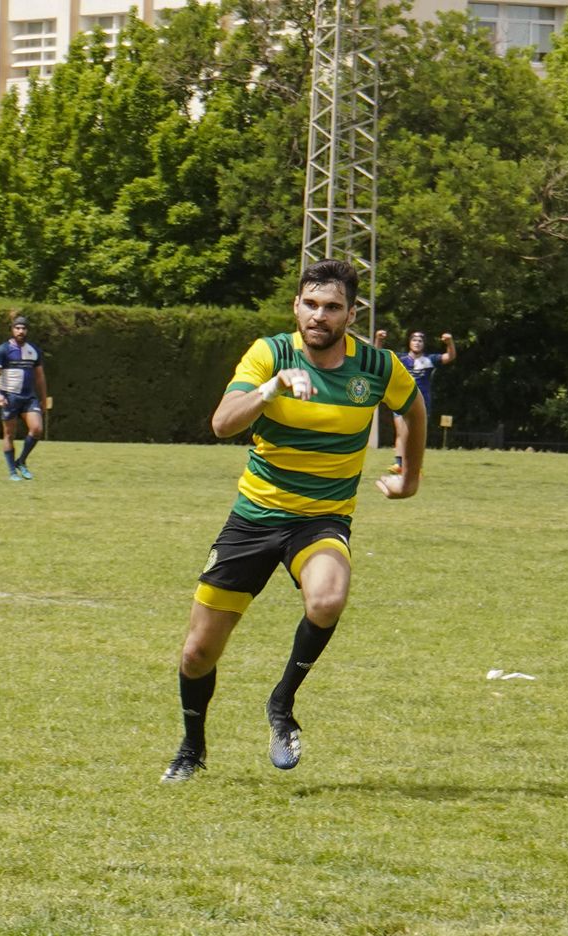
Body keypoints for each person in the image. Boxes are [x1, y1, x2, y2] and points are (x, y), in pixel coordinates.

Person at [161, 260, 425, 783]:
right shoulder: (270, 354)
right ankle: (192, 747)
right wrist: (271, 389)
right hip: (253, 518)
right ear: (296, 307)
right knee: (197, 653)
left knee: (327, 599)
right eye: (310, 304)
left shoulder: (377, 367)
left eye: (332, 307)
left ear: (351, 314)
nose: (319, 316)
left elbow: (412, 411)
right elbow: (220, 423)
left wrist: (408, 475)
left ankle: (281, 704)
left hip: (321, 520)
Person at [375, 329, 457, 474]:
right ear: (409, 342)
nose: (417, 343)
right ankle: (399, 464)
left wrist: (449, 342)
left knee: (416, 435)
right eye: (414, 340)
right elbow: (378, 356)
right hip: (401, 400)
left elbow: (450, 356)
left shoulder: (430, 360)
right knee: (401, 432)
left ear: (424, 344)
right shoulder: (401, 359)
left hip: (422, 403)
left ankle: (416, 467)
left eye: (420, 341)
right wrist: (379, 340)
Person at [0, 315, 48, 481]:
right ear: (12, 329)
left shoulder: (34, 350)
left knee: (37, 429)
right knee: (9, 434)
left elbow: (40, 377)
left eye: (23, 328)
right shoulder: (3, 350)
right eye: (17, 328)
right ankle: (12, 472)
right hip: (10, 397)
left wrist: (44, 398)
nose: (20, 331)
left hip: (29, 398)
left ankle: (21, 461)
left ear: (27, 330)